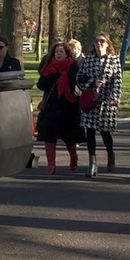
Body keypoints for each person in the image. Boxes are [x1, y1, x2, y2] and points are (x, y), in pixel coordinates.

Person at [75, 32, 122, 178]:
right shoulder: (88, 60)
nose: (99, 44)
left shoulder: (114, 60)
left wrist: (114, 98)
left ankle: (110, 153)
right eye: (96, 42)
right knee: (90, 131)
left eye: (102, 41)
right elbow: (79, 78)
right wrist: (92, 83)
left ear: (108, 44)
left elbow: (117, 80)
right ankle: (92, 162)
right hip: (91, 100)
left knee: (105, 131)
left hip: (106, 101)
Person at [35, 41, 85, 174]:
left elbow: (78, 84)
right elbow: (40, 85)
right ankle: (51, 165)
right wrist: (51, 77)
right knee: (49, 137)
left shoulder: (72, 66)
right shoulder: (48, 67)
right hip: (51, 105)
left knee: (69, 137)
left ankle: (73, 158)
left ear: (66, 53)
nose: (58, 54)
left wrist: (67, 77)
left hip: (68, 106)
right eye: (56, 52)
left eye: (61, 52)